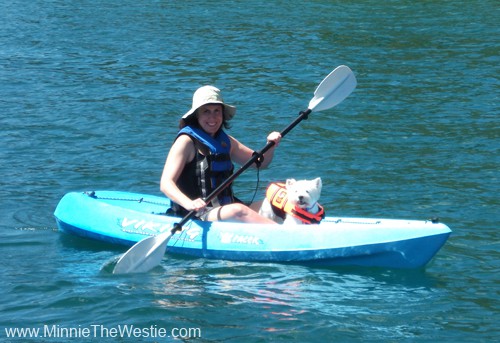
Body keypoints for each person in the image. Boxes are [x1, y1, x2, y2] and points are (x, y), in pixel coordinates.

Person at [160, 85, 281, 223]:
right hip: (196, 214)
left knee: (274, 203)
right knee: (238, 210)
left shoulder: (226, 142)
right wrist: (189, 203)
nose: (212, 117)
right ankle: (286, 236)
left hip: (224, 210)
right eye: (206, 111)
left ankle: (303, 228)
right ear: (196, 115)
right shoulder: (186, 142)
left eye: (217, 111)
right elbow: (166, 183)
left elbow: (261, 163)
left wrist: (270, 145)